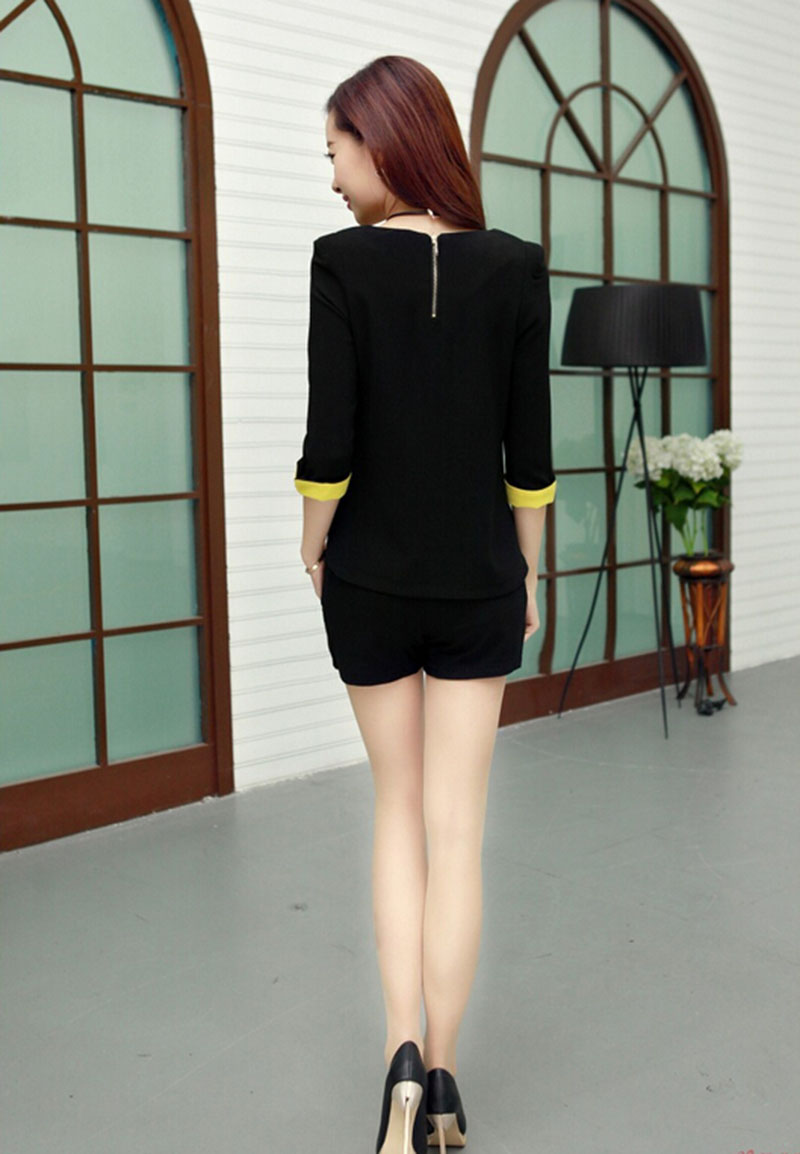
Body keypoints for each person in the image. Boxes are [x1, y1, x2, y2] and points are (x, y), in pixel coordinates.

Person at [294, 55, 556, 1154]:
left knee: (395, 813)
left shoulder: (341, 263)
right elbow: (529, 458)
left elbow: (330, 444)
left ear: (382, 139)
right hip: (480, 582)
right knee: (460, 831)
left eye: (336, 151)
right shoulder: (516, 267)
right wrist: (528, 573)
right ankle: (443, 1080)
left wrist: (312, 546)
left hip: (369, 582)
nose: (332, 176)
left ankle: (398, 1056)